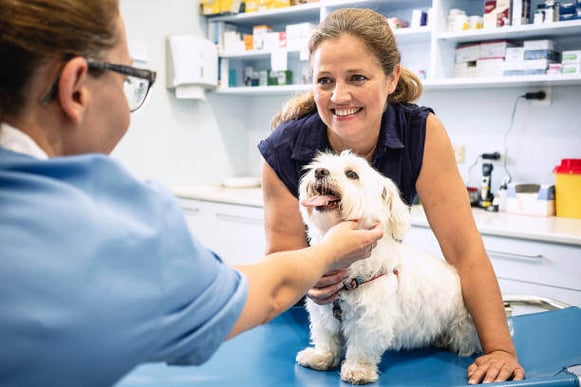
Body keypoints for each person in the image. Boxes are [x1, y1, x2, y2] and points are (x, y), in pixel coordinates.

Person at [0, 1, 384, 386]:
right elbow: (265, 293)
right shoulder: (116, 226)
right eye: (129, 78)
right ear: (76, 89)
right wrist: (332, 250)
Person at [258, 8, 525, 385]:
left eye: (357, 78)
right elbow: (281, 259)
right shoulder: (283, 150)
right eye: (324, 81)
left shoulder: (421, 133)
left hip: (378, 300)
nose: (339, 95)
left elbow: (463, 249)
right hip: (307, 321)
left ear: (391, 77)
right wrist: (308, 278)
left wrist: (499, 348)